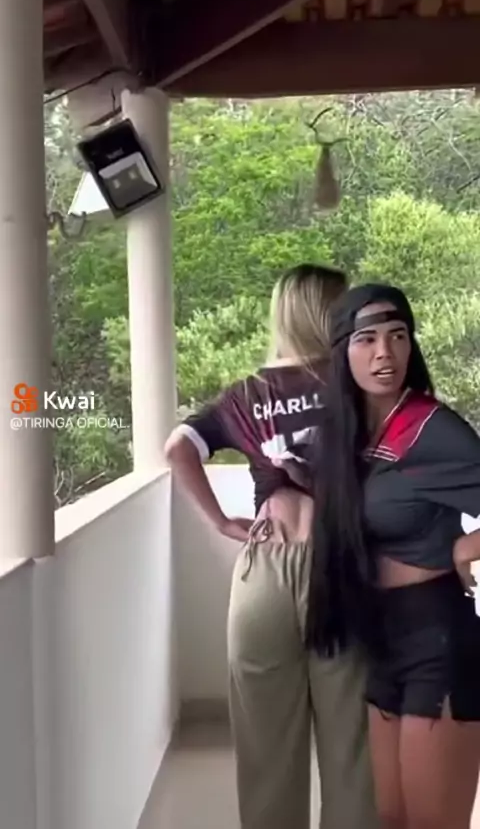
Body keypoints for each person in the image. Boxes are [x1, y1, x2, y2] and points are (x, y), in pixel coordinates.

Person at [165, 263, 378, 829]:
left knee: (266, 755)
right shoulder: (357, 386)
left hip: (264, 571)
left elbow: (177, 447)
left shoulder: (247, 395)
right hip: (339, 566)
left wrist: (220, 523)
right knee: (352, 752)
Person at [306, 282, 480, 829]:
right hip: (379, 636)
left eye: (398, 336)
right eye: (368, 339)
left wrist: (469, 543)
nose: (385, 352)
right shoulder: (344, 435)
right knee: (391, 818)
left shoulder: (433, 428)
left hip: (439, 637)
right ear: (343, 350)